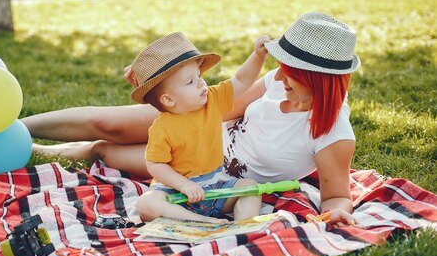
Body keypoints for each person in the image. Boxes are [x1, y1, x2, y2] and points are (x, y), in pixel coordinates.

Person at [23, 12, 360, 226]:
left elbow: (335, 195)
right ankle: (21, 128)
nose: (281, 77)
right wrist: (157, 87)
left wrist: (337, 211)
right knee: (110, 126)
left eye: (292, 73)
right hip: (197, 127)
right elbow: (227, 105)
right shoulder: (276, 81)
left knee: (105, 151)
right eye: (282, 67)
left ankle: (44, 151)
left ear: (319, 79)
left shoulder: (333, 134)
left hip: (208, 174)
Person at [126, 32, 268, 224]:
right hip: (176, 194)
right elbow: (155, 165)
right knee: (146, 203)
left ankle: (241, 227)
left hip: (215, 188)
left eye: (199, 76)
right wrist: (183, 185)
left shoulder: (212, 100)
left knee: (250, 187)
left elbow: (242, 80)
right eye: (190, 82)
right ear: (168, 99)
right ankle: (199, 221)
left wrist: (257, 56)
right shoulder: (163, 127)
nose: (201, 83)